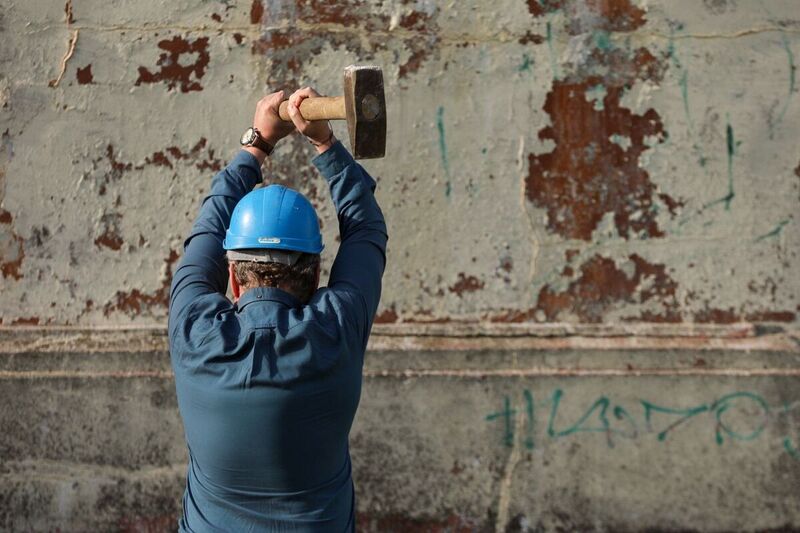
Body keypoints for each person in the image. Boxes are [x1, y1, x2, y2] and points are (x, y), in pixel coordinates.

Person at [168, 87, 388, 532]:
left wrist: (257, 143)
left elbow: (207, 231)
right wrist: (324, 141)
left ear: (231, 276)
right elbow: (365, 231)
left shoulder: (192, 327)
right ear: (316, 273)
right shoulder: (337, 328)